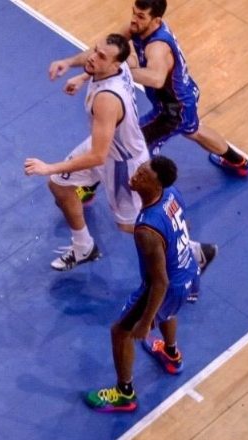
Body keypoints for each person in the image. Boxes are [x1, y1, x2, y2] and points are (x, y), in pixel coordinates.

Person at [49, 0, 248, 177]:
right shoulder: (138, 27)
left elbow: (156, 79)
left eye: (141, 16)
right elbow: (104, 54)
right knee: (193, 131)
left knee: (124, 146)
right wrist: (69, 63)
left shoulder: (158, 46)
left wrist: (118, 71)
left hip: (171, 111)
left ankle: (104, 190)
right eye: (134, 13)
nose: (134, 20)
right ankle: (238, 161)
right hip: (185, 95)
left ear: (156, 20)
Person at [85, 155, 211, 412]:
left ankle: (124, 393)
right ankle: (172, 354)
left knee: (120, 332)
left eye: (143, 175)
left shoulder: (146, 229)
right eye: (140, 170)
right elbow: (183, 225)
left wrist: (144, 322)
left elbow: (159, 282)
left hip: (167, 285)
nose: (135, 175)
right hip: (187, 268)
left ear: (155, 186)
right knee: (169, 311)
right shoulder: (171, 194)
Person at [25, 34, 149, 271]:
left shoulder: (106, 99)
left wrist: (49, 167)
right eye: (95, 50)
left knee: (130, 227)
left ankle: (186, 249)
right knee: (59, 185)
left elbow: (97, 158)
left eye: (101, 56)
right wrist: (80, 73)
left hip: (123, 164)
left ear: (115, 64)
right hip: (104, 145)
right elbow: (105, 61)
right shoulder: (116, 67)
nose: (92, 58)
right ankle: (84, 247)